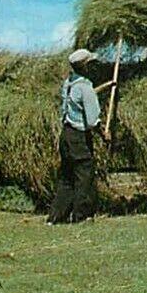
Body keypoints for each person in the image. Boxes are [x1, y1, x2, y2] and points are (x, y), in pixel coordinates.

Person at [47, 49, 114, 224]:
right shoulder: (85, 87)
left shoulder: (69, 84)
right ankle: (81, 216)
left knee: (67, 177)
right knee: (85, 175)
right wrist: (104, 134)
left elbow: (78, 100)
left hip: (66, 135)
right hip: (79, 138)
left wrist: (106, 86)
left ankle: (56, 217)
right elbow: (92, 120)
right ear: (85, 66)